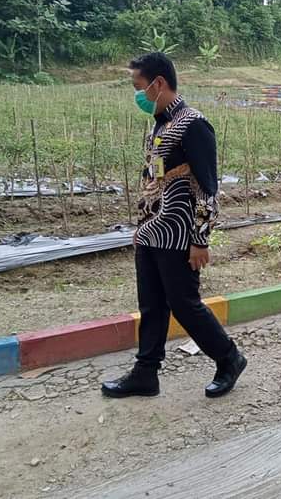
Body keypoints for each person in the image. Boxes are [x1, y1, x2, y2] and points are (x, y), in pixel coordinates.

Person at [101, 52, 246, 400]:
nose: (137, 94)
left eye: (139, 86)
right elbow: (152, 180)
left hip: (181, 234)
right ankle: (145, 373)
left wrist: (201, 238)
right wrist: (141, 226)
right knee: (151, 303)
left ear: (159, 83)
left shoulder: (193, 124)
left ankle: (229, 357)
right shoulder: (159, 124)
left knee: (184, 304)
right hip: (152, 232)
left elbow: (208, 187)